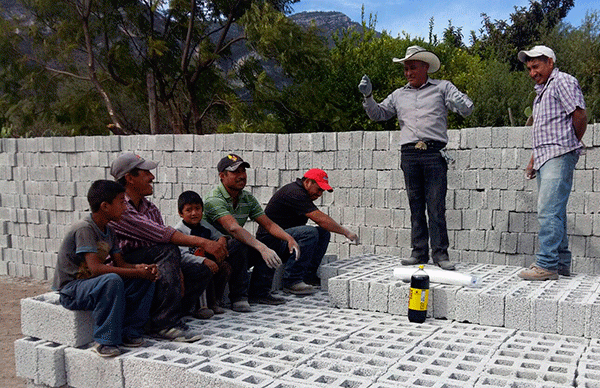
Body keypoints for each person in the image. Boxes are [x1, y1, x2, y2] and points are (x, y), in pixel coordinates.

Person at [358, 45, 473, 271]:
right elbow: (378, 114)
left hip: (433, 152)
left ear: (425, 67)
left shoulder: (442, 88)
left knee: (436, 205)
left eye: (412, 68)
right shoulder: (399, 95)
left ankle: (440, 254)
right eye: (406, 69)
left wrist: (462, 105)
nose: (408, 73)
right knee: (416, 205)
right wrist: (368, 96)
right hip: (409, 153)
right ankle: (419, 252)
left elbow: (466, 108)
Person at [109, 153, 227, 342]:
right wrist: (203, 242)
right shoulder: (121, 208)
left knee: (202, 270)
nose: (152, 177)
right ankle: (165, 324)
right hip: (127, 265)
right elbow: (162, 235)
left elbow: (163, 242)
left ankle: (167, 314)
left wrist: (177, 269)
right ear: (130, 178)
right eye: (146, 172)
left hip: (153, 261)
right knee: (168, 251)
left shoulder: (150, 208)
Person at [52, 180, 157, 357]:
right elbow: (96, 269)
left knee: (144, 278)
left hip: (92, 284)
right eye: (121, 202)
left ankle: (130, 332)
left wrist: (141, 269)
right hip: (72, 289)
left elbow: (121, 265)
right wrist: (135, 271)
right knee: (112, 280)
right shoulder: (85, 228)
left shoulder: (110, 231)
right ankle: (104, 341)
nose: (125, 207)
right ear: (105, 206)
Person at [516, 45, 587, 281]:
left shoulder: (562, 82)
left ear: (550, 62)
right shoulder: (542, 92)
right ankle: (561, 263)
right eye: (529, 68)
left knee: (547, 212)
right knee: (556, 213)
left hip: (560, 154)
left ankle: (546, 264)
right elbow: (544, 133)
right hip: (546, 156)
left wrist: (570, 143)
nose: (532, 73)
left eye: (536, 66)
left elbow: (579, 114)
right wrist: (533, 162)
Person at [203, 154, 300, 310]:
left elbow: (268, 224)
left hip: (233, 251)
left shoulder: (247, 198)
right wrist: (261, 248)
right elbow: (233, 228)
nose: (242, 176)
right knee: (239, 243)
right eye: (236, 172)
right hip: (213, 252)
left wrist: (288, 238)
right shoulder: (214, 199)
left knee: (271, 239)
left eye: (243, 171)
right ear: (222, 176)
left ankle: (260, 292)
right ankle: (239, 297)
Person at [257, 169, 359, 294]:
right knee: (309, 232)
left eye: (323, 191)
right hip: (272, 243)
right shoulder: (294, 193)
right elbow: (320, 219)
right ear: (309, 182)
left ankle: (308, 276)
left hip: (287, 241)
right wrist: (346, 232)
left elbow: (323, 224)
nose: (320, 194)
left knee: (323, 233)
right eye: (319, 189)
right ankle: (291, 280)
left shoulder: (303, 194)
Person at [174, 190, 232, 318]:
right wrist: (204, 261)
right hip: (191, 267)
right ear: (180, 213)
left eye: (197, 209)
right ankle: (199, 307)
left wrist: (223, 239)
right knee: (204, 270)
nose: (194, 213)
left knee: (224, 267)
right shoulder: (179, 231)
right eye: (189, 210)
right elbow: (182, 256)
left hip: (205, 262)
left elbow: (218, 236)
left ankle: (215, 301)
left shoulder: (204, 225)